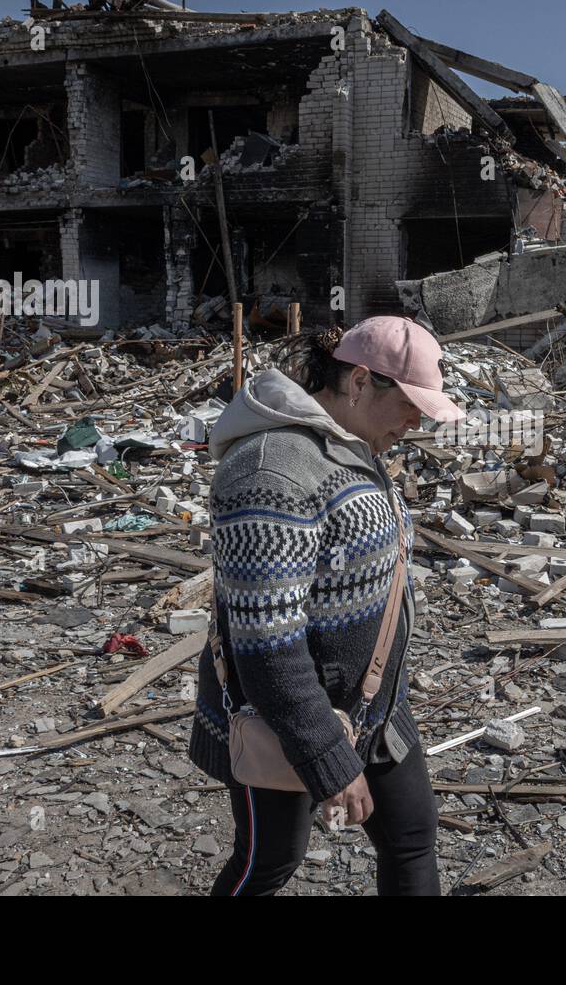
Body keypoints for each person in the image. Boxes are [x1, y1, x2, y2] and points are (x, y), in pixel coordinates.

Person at [187, 314, 464, 896]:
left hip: (372, 707)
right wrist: (329, 759)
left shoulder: (347, 446)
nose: (416, 422)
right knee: (270, 861)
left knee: (411, 836)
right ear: (360, 382)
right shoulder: (272, 470)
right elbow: (266, 646)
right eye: (411, 404)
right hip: (285, 717)